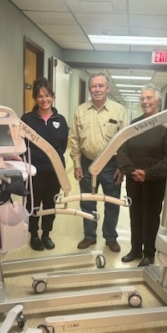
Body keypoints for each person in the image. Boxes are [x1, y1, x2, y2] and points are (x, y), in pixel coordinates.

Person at [70, 72, 128, 252]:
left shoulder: (119, 110)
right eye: (94, 86)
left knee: (112, 202)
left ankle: (110, 237)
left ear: (107, 89)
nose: (97, 89)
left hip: (111, 165)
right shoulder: (80, 111)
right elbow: (74, 140)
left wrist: (121, 167)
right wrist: (77, 164)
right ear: (89, 89)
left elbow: (125, 141)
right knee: (87, 202)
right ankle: (89, 236)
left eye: (101, 86)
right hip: (87, 163)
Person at [117, 85, 167, 266]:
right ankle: (135, 250)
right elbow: (122, 150)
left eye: (149, 98)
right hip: (134, 180)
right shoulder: (134, 124)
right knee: (135, 215)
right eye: (142, 98)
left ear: (158, 101)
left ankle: (149, 253)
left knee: (151, 217)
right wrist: (131, 171)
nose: (145, 101)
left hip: (154, 182)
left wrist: (147, 174)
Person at [21, 77, 69, 251]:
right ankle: (34, 235)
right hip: (34, 171)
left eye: (47, 95)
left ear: (53, 97)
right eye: (40, 96)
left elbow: (63, 145)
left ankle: (46, 234)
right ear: (35, 98)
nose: (44, 99)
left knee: (50, 203)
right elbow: (20, 144)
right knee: (33, 203)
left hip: (55, 171)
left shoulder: (60, 120)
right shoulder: (27, 119)